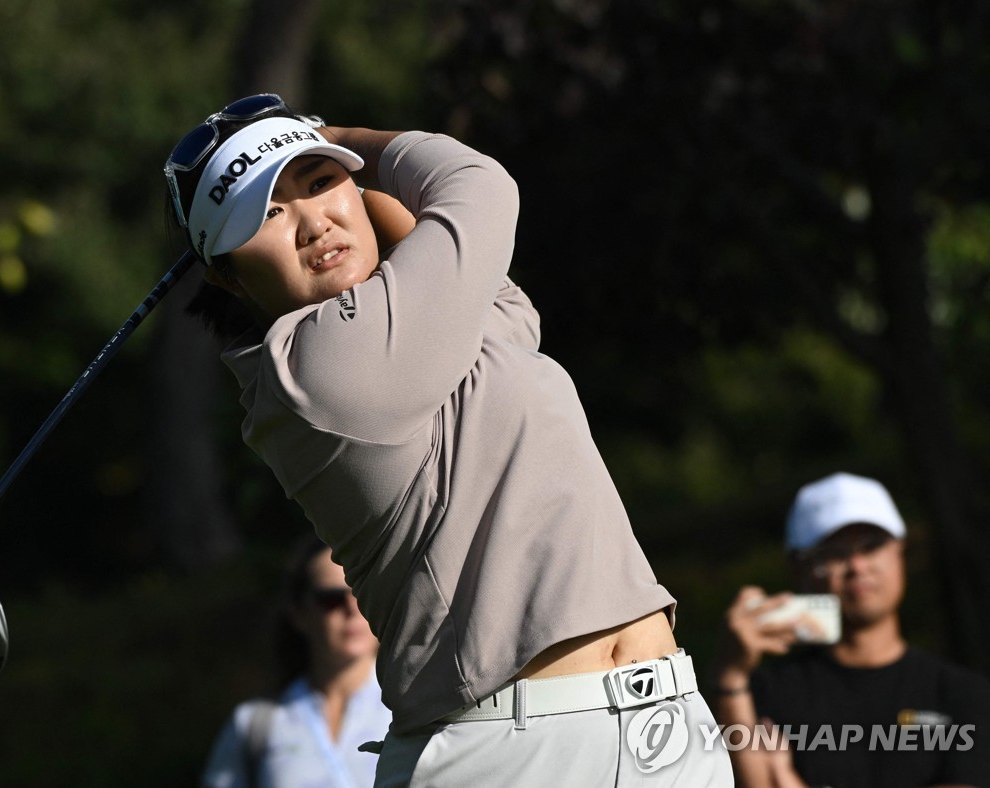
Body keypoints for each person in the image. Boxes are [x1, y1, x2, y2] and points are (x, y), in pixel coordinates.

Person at [164, 93, 733, 785]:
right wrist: (342, 140)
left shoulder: (429, 330)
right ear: (223, 274)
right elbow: (475, 187)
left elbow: (505, 304)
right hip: (513, 751)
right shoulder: (312, 369)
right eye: (266, 214)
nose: (313, 223)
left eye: (320, 184)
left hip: (661, 725)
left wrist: (341, 182)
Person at [714, 472, 990, 788]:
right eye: (834, 552)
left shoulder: (965, 693)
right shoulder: (765, 693)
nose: (857, 566)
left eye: (871, 546)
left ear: (899, 551)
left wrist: (790, 781)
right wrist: (730, 675)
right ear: (799, 568)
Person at [201, 536, 391, 788]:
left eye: (362, 592)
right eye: (332, 599)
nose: (352, 609)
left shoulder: (422, 711)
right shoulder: (254, 725)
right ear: (299, 614)